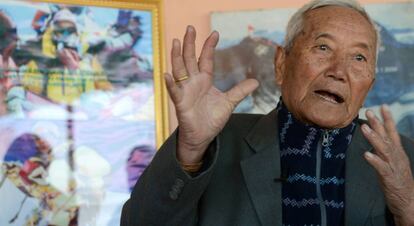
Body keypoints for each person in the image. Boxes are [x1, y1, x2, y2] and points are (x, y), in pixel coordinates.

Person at [121, 0, 414, 225]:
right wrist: (190, 149)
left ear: (370, 83)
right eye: (323, 47)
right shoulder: (216, 141)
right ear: (281, 64)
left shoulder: (404, 158)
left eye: (359, 57)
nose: (338, 71)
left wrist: (408, 210)